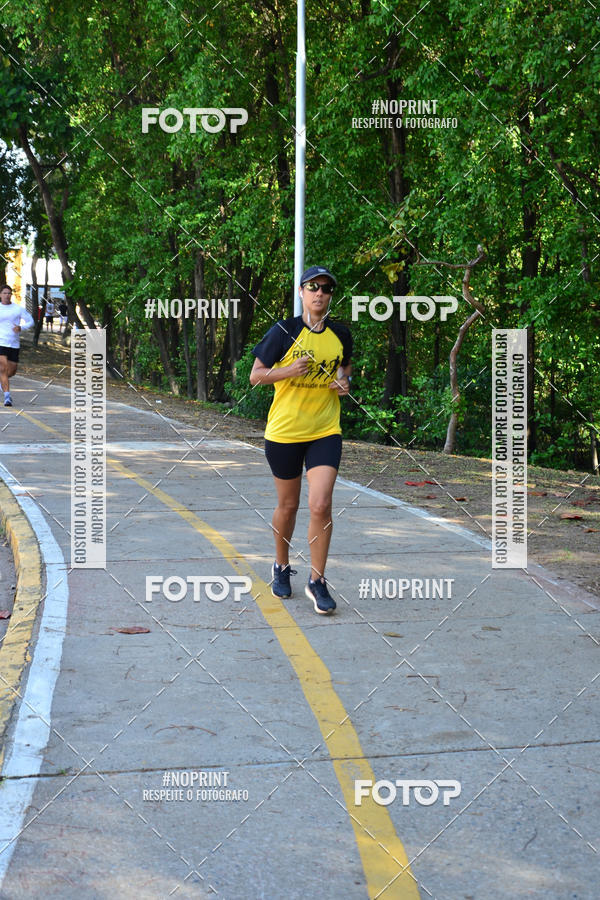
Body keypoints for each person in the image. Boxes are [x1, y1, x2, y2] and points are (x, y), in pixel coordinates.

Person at [250, 266, 353, 615]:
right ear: (301, 291)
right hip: (284, 433)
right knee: (288, 506)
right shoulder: (284, 332)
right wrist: (288, 371)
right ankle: (280, 565)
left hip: (325, 430)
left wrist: (344, 383)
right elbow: (256, 375)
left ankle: (317, 580)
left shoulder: (341, 334)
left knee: (321, 504)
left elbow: (345, 368)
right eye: (313, 287)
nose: (319, 293)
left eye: (326, 288)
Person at [0, 284, 35, 407]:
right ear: (0, 295)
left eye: (9, 293)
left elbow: (31, 321)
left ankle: (2, 382)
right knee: (3, 368)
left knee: (12, 370)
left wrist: (21, 327)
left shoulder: (18, 309)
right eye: (4, 293)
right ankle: (7, 397)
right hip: (1, 342)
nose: (7, 295)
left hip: (14, 344)